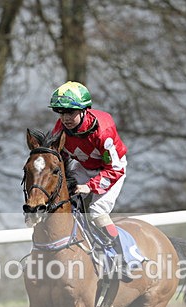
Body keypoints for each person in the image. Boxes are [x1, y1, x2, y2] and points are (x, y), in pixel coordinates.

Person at [48, 81, 132, 276]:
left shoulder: (103, 131)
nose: (65, 118)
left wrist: (90, 187)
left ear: (85, 110)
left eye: (70, 112)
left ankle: (122, 260)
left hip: (111, 169)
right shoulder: (60, 128)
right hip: (85, 167)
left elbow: (115, 168)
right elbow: (59, 156)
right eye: (61, 112)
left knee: (95, 211)